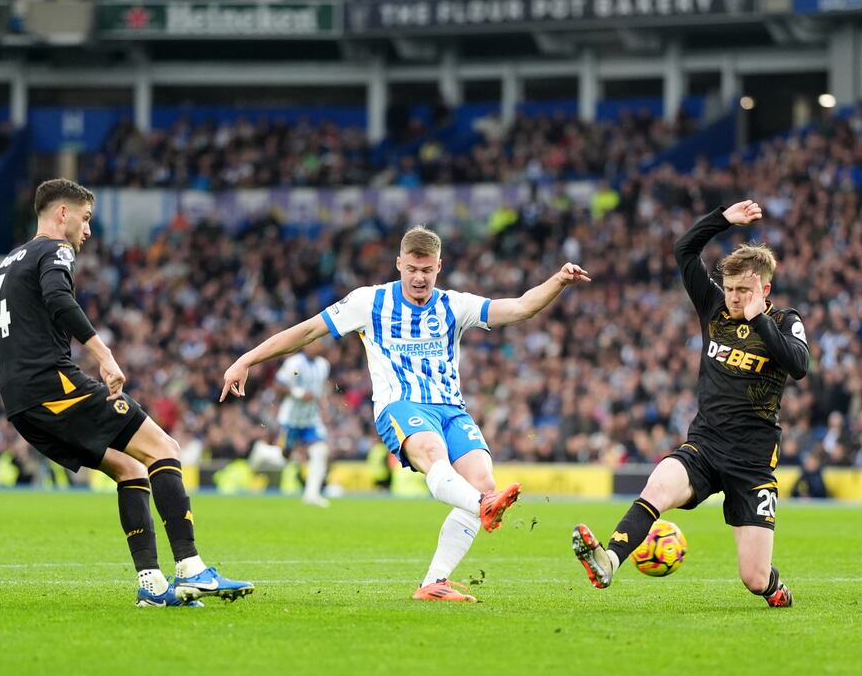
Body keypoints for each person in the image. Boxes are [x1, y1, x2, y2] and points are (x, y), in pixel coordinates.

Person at [220, 225, 590, 602]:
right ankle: (483, 507)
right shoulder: (369, 301)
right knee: (435, 456)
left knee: (483, 482)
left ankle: (434, 582)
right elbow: (308, 331)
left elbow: (521, 307)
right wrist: (246, 360)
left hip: (451, 410)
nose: (419, 277)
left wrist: (558, 281)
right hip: (402, 406)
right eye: (412, 268)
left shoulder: (454, 305)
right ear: (399, 264)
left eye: (427, 270)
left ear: (439, 267)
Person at [0, 178, 253, 608]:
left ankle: (153, 586)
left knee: (130, 469)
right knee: (163, 446)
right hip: (54, 386)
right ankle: (192, 568)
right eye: (84, 220)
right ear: (61, 213)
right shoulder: (54, 250)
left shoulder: (7, 264)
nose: (87, 231)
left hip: (24, 405)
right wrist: (103, 354)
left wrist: (14, 388)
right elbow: (59, 298)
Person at [572, 200, 809, 608]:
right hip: (705, 444)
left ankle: (775, 587)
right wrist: (721, 220)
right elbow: (684, 250)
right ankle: (609, 560)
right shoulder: (714, 307)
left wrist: (760, 321)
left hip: (751, 462)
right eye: (730, 289)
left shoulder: (785, 321)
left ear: (764, 290)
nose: (734, 298)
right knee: (659, 483)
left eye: (743, 291)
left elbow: (799, 365)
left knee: (753, 579)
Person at [273, 339, 333, 507]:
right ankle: (261, 453)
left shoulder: (323, 365)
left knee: (320, 451)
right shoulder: (294, 363)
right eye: (313, 343)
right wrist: (297, 392)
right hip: (290, 419)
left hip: (311, 419)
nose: (316, 346)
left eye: (319, 343)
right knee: (283, 455)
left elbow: (321, 391)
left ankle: (312, 494)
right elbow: (278, 385)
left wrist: (324, 409)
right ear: (305, 344)